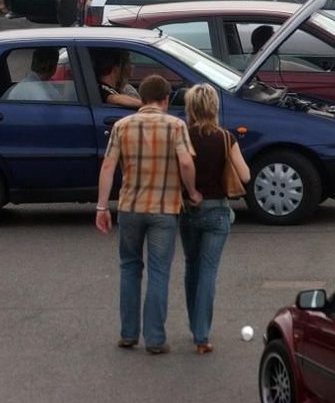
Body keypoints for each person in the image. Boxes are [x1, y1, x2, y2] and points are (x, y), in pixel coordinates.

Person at [95, 74, 201, 353]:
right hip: (164, 209)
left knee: (129, 268)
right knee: (158, 271)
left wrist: (102, 207)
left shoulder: (122, 126)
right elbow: (187, 163)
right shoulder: (176, 126)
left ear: (141, 98)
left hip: (130, 207)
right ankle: (154, 339)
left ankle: (128, 333)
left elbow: (108, 167)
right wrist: (192, 192)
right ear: (166, 98)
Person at [179, 84, 249, 354]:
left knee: (191, 266)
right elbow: (245, 176)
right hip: (217, 211)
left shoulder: (183, 136)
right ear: (214, 107)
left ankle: (193, 324)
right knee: (208, 271)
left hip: (187, 209)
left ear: (190, 108)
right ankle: (202, 335)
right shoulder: (224, 138)